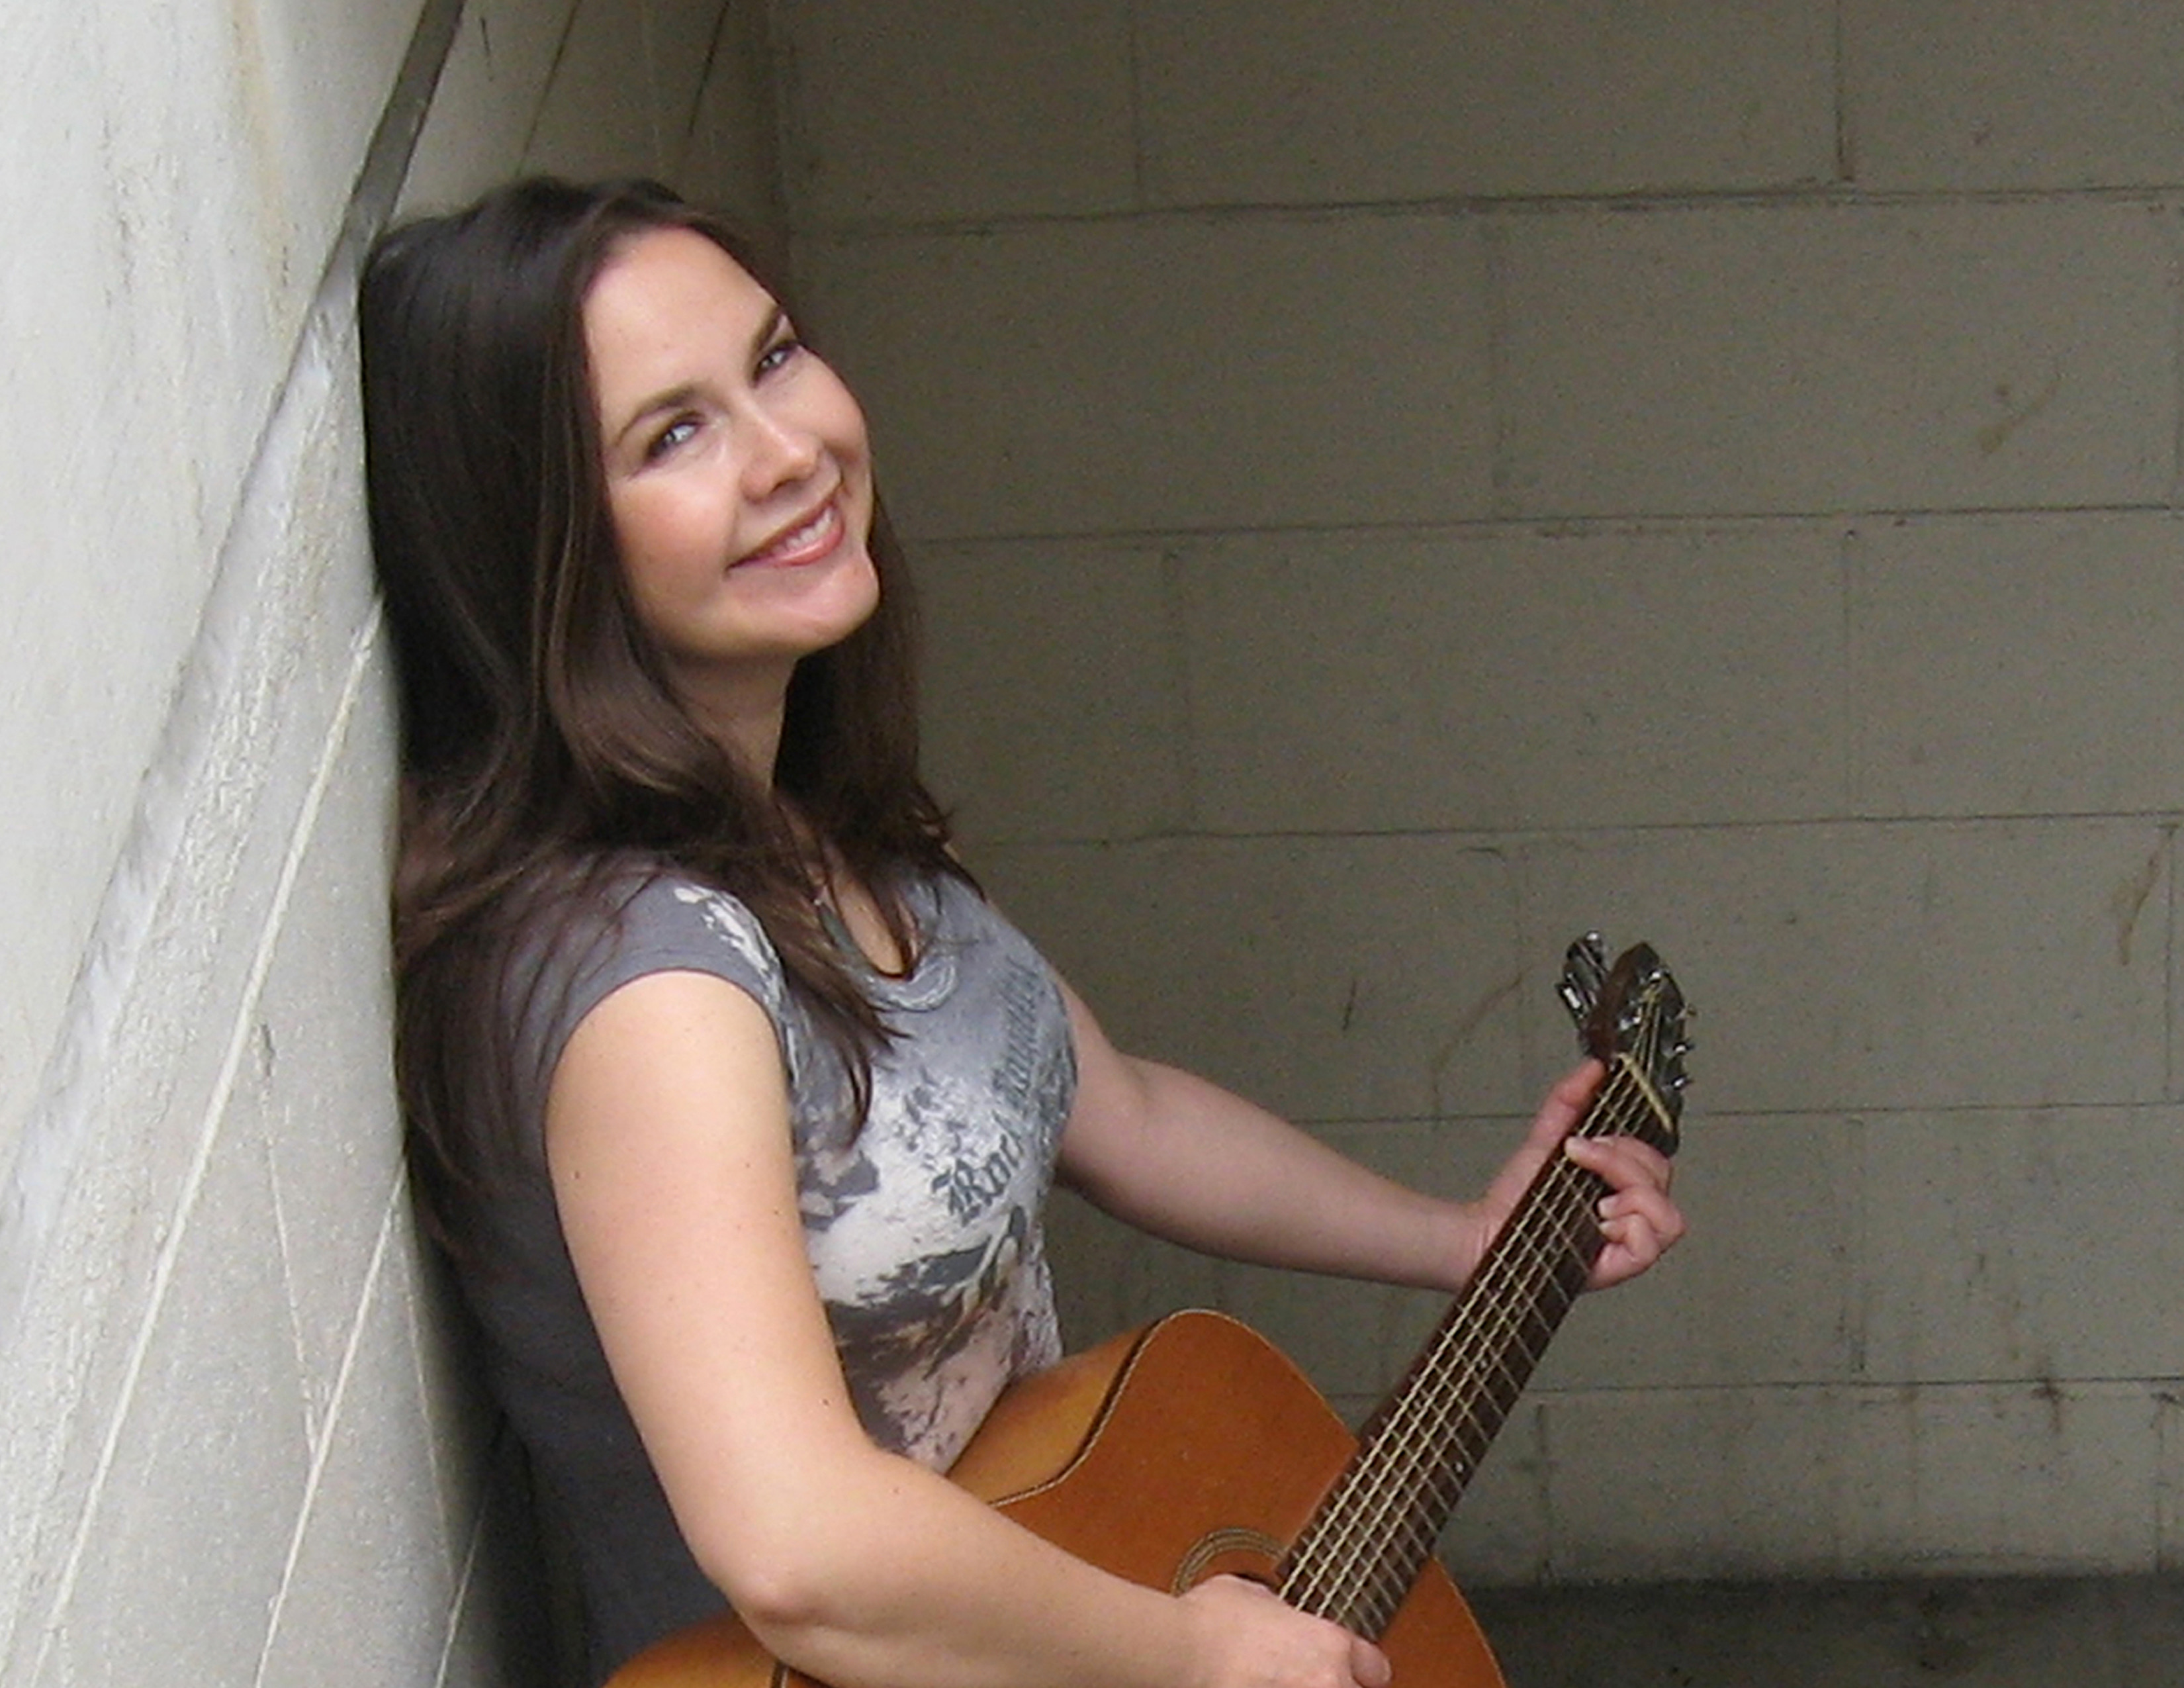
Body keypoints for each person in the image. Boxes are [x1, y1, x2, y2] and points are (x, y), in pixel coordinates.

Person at [358, 176, 1683, 1688]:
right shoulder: (649, 987)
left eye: (775, 358)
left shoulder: (820, 826)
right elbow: (800, 1550)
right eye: (674, 436)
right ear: (538, 543)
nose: (790, 453)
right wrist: (1189, 1653)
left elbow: (1123, 1111)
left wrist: (1465, 1239)